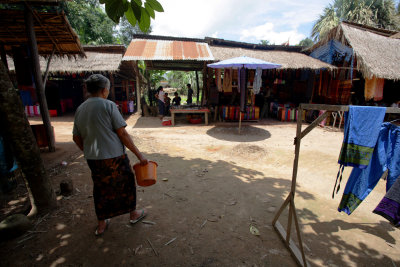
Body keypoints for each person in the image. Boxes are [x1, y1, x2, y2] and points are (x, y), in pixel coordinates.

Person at [73, 74, 148, 236]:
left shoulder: (81, 108)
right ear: (104, 90)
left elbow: (76, 137)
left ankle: (101, 223)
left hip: (93, 159)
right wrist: (140, 155)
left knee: (101, 188)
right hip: (114, 157)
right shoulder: (108, 105)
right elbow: (122, 133)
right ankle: (133, 214)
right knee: (126, 182)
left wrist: (87, 151)